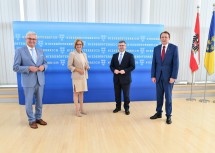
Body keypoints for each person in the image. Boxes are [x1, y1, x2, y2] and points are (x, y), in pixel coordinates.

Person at [13, 31, 48, 129]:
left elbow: (46, 63)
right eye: (30, 38)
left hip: (40, 80)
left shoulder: (40, 51)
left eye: (34, 39)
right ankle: (31, 120)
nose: (32, 40)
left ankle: (38, 118)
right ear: (26, 39)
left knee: (39, 101)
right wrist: (28, 68)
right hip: (28, 81)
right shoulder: (19, 51)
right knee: (28, 102)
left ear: (36, 40)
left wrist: (43, 67)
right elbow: (15, 67)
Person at [150, 31, 179, 124]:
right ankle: (158, 113)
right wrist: (153, 75)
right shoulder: (156, 49)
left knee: (168, 98)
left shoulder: (174, 48)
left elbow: (176, 64)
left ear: (169, 38)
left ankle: (168, 116)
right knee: (159, 97)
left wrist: (173, 77)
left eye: (166, 37)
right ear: (160, 38)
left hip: (169, 78)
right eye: (162, 37)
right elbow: (154, 63)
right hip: (158, 77)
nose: (164, 38)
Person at [110, 40, 135, 115]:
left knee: (126, 95)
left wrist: (125, 70)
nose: (121, 47)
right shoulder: (114, 55)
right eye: (120, 45)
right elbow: (111, 66)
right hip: (116, 79)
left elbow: (133, 66)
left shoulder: (130, 55)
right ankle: (118, 107)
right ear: (118, 46)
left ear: (125, 46)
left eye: (122, 45)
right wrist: (114, 70)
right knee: (117, 95)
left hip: (126, 79)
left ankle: (126, 108)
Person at [67, 39, 90, 117]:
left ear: (82, 45)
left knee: (81, 93)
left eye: (80, 44)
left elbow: (87, 64)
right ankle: (77, 111)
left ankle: (82, 109)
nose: (79, 46)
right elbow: (69, 66)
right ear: (75, 46)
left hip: (83, 77)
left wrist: (87, 67)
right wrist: (78, 70)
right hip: (76, 77)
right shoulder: (72, 54)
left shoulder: (84, 54)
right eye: (77, 45)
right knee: (76, 93)